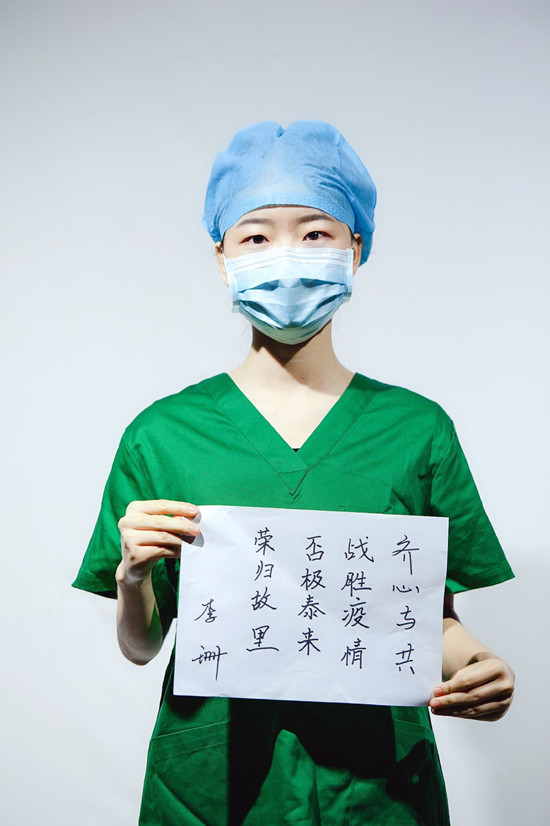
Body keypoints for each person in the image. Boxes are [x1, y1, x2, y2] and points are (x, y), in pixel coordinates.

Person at [73, 121, 515, 826]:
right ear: (223, 258)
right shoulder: (163, 435)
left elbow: (426, 618)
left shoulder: (415, 430)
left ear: (355, 249)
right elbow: (143, 645)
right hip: (215, 789)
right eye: (256, 237)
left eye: (315, 233)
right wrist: (132, 577)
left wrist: (477, 665)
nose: (286, 257)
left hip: (377, 791)